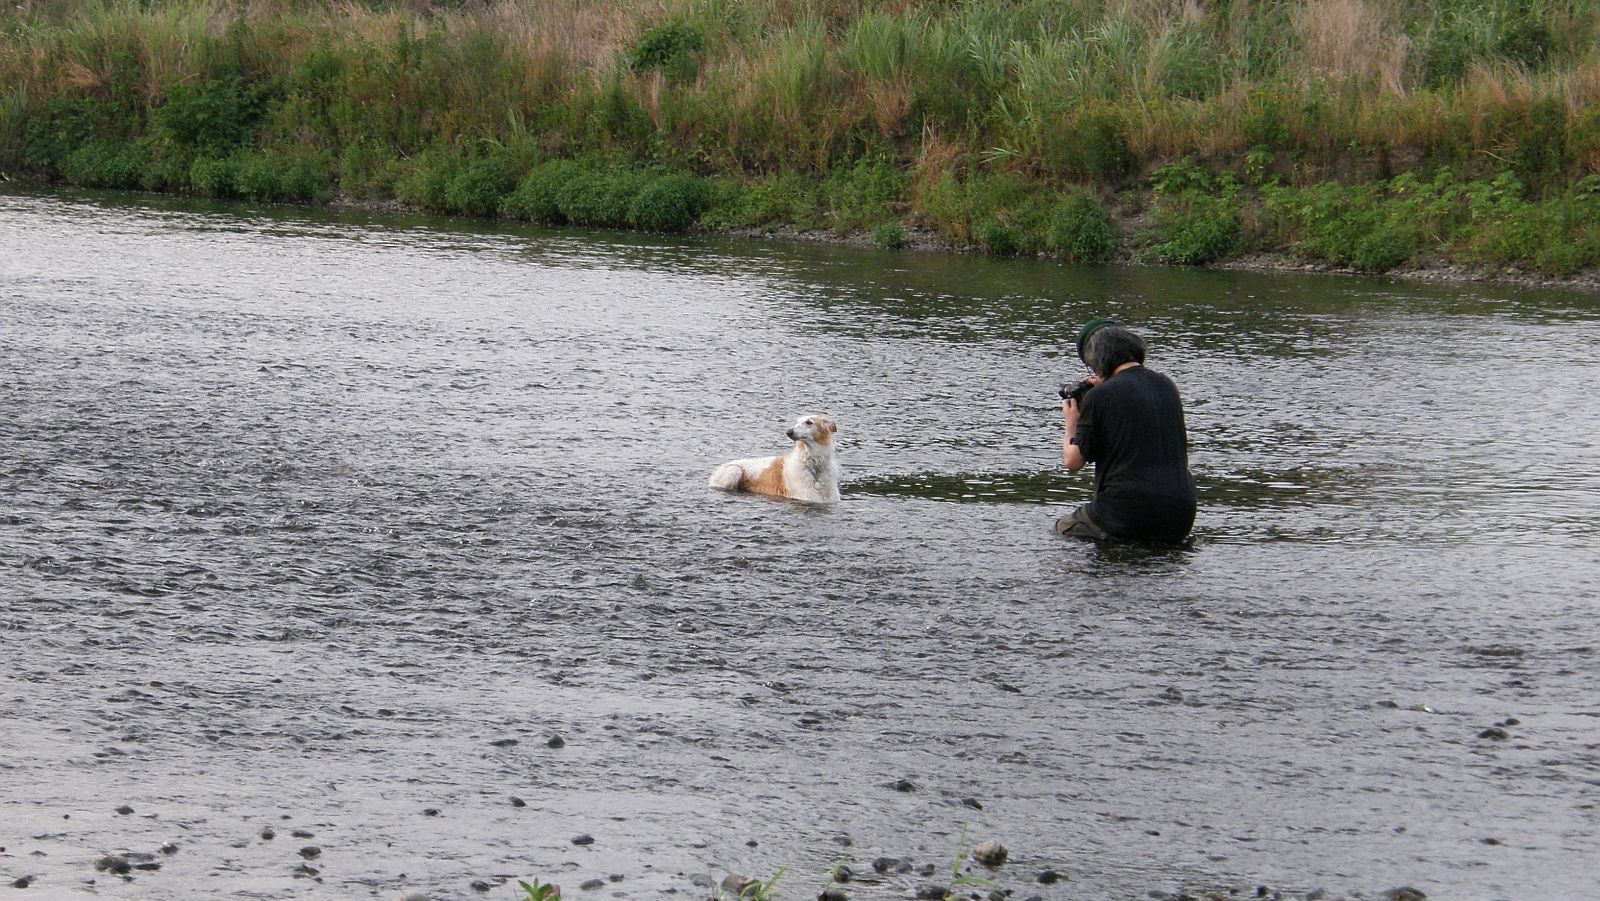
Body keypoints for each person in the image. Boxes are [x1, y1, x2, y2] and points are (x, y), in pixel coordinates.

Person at [1055, 318, 1196, 543]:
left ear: (1099, 362)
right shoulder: (1166, 385)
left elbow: (1073, 461)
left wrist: (1071, 421)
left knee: (1063, 530)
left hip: (1126, 512)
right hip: (1181, 514)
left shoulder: (1100, 397)